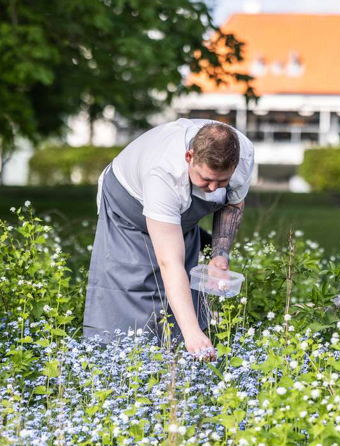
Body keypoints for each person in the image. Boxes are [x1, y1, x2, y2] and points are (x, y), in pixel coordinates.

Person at [83, 118, 254, 360]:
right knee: (138, 282)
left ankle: (174, 363)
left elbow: (232, 203)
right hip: (128, 206)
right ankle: (120, 362)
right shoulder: (163, 171)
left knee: (186, 276)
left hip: (177, 213)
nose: (214, 188)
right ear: (189, 157)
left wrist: (219, 256)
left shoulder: (244, 156)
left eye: (222, 181)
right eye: (206, 179)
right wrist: (191, 332)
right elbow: (169, 263)